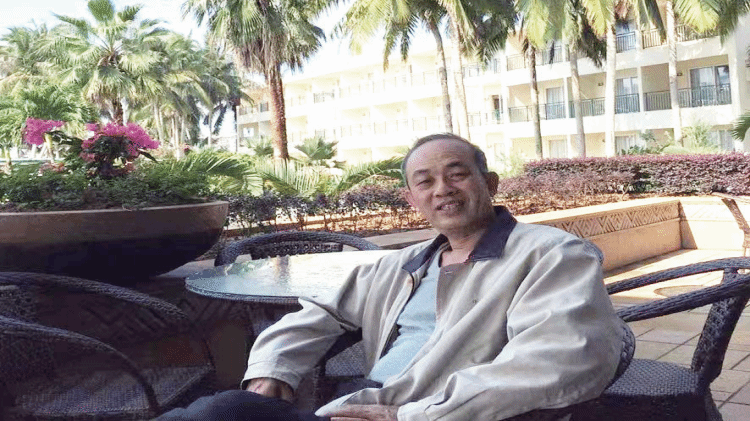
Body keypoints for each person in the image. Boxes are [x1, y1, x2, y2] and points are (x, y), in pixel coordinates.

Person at [158, 133, 624, 421]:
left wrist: (410, 415)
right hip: (364, 402)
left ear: (490, 183)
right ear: (412, 199)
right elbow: (320, 312)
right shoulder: (402, 263)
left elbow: (561, 360)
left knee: (223, 411)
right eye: (425, 182)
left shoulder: (551, 255)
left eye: (457, 174)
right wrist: (272, 371)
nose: (442, 189)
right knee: (232, 408)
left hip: (437, 412)